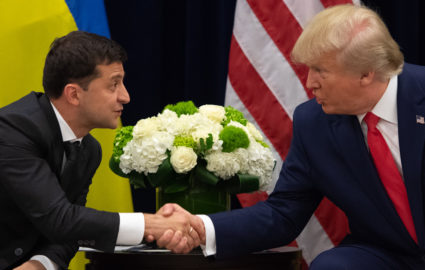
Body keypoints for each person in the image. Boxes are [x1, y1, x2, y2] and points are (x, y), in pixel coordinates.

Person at [162, 4, 425, 269]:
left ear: (366, 73)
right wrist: (202, 226)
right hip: (385, 253)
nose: (310, 83)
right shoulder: (313, 122)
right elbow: (283, 212)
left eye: (321, 70)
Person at [0, 31, 202, 270]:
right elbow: (59, 218)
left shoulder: (89, 149)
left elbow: (73, 231)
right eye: (113, 84)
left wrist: (39, 264)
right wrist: (150, 224)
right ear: (74, 94)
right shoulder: (13, 130)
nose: (125, 97)